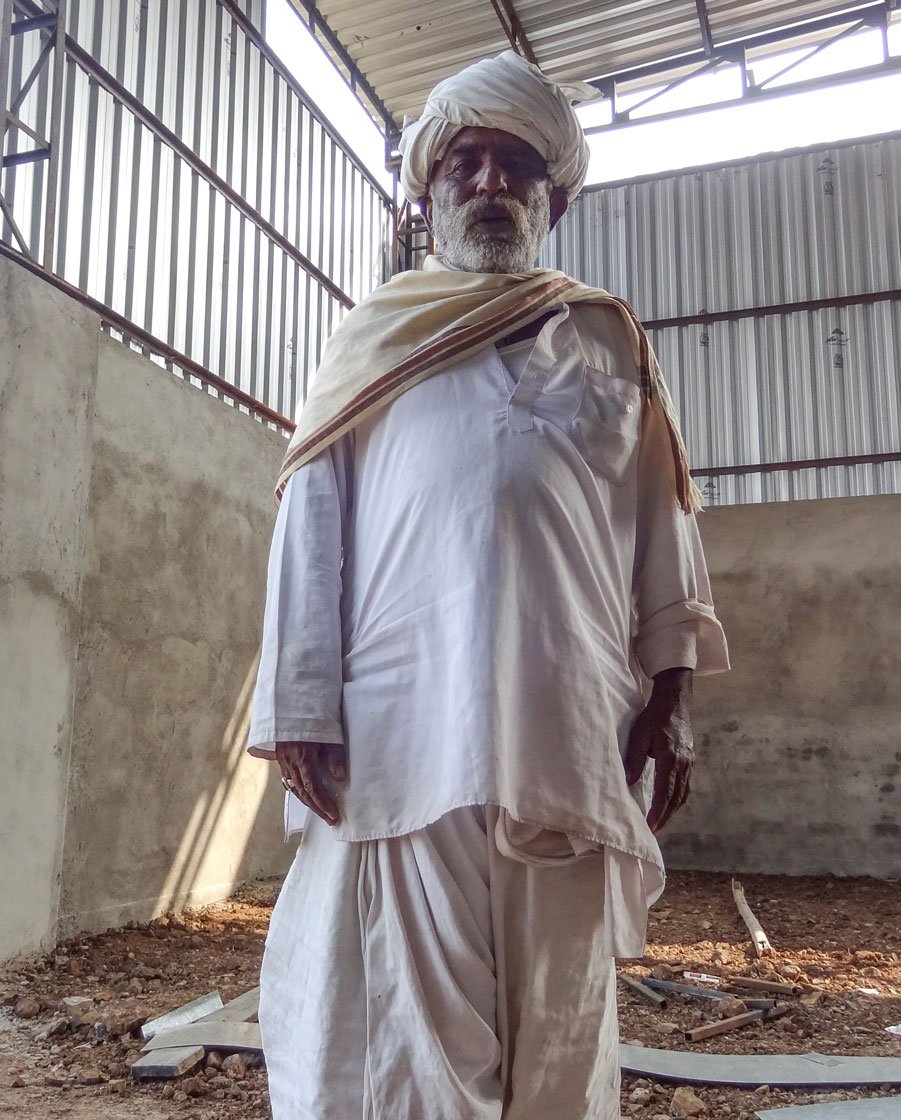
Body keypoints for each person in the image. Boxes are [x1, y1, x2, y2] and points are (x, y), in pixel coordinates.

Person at [247, 50, 729, 1120]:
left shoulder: (608, 339)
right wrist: (297, 702)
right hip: (403, 730)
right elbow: (310, 517)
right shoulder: (370, 341)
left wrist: (676, 696)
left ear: (553, 194)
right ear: (429, 195)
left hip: (572, 727)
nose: (491, 181)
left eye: (517, 163)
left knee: (559, 1017)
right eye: (465, 161)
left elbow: (663, 526)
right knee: (414, 1028)